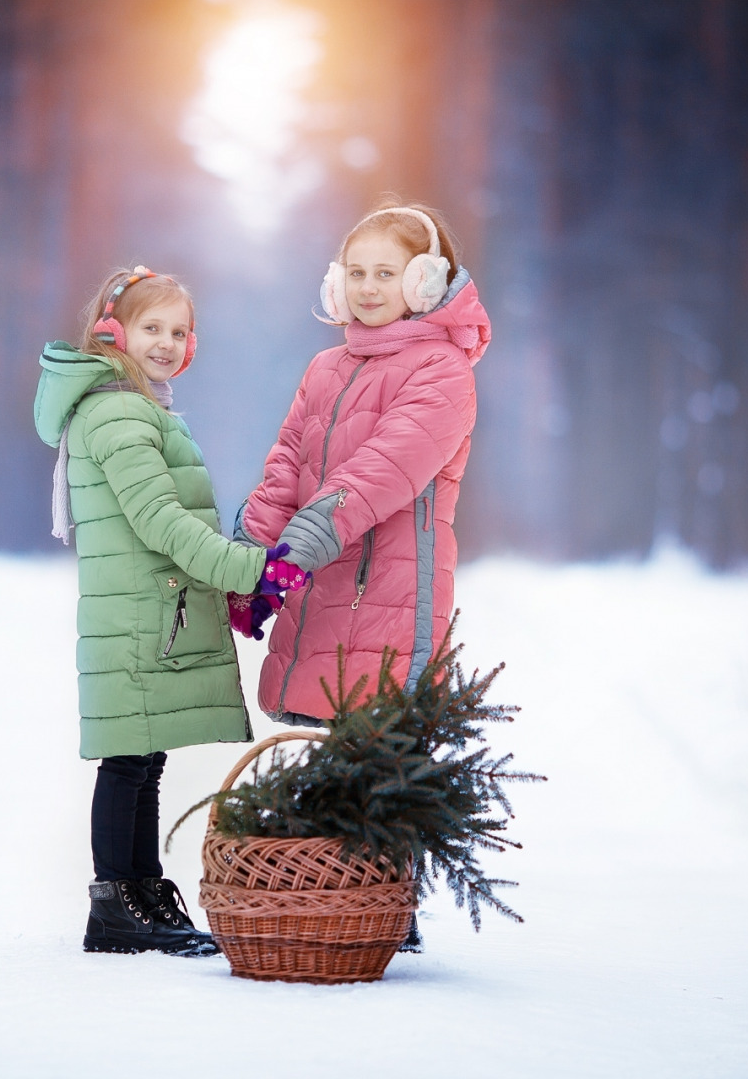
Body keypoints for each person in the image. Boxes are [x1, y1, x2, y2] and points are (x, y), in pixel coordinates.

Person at [232, 204, 490, 948]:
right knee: (331, 742)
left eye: (387, 273)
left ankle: (386, 913)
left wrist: (300, 544)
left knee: (378, 743)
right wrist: (252, 553)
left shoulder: (443, 371)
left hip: (390, 585)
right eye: (356, 273)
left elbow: (384, 470)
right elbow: (288, 462)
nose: (369, 288)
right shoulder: (326, 367)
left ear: (424, 281)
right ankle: (336, 899)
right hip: (321, 575)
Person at [34, 266, 308, 956]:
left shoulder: (131, 403)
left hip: (145, 611)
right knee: (127, 763)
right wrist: (252, 569)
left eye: (178, 331)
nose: (166, 341)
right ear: (112, 330)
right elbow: (160, 521)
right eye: (151, 327)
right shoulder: (120, 410)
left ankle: (144, 890)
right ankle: (117, 903)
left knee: (142, 757)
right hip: (135, 618)